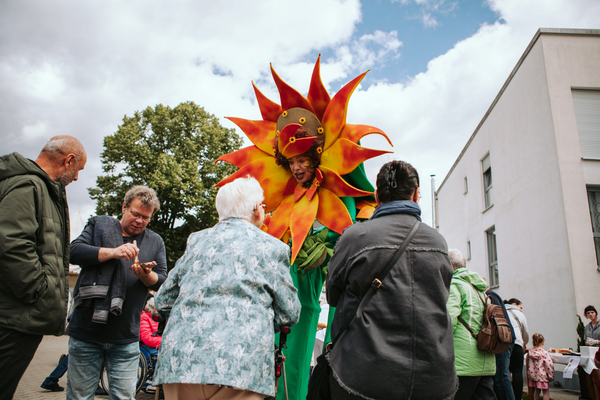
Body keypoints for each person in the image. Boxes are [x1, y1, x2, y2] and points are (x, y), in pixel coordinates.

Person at [153, 176, 301, 400]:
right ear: (256, 211)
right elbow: (289, 312)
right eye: (263, 206)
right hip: (243, 366)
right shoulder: (273, 248)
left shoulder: (196, 240)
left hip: (181, 363)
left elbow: (163, 299)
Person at [325, 160, 458, 399]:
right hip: (433, 376)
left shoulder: (355, 237)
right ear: (416, 194)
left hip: (363, 372)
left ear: (377, 195)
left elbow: (333, 296)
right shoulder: (438, 243)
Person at [0, 135, 87, 399]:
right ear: (68, 160)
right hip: (15, 319)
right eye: (79, 170)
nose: (76, 179)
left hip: (19, 315)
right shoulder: (29, 185)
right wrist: (38, 291)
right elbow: (11, 243)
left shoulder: (36, 187)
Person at [66, 185, 167, 400]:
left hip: (126, 337)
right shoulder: (98, 226)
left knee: (123, 397)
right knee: (79, 397)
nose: (140, 221)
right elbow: (73, 252)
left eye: (146, 218)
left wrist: (144, 275)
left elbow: (161, 282)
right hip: (86, 333)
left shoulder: (155, 241)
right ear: (124, 207)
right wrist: (113, 252)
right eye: (136, 214)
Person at [447, 248, 497, 400]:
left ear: (450, 265)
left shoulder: (455, 285)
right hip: (486, 361)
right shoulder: (480, 289)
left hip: (463, 364)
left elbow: (449, 320)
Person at [486, 288, 516, 400]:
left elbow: (498, 319)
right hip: (503, 339)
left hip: (502, 340)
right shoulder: (492, 295)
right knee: (499, 377)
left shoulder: (490, 295)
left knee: (502, 377)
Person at [505, 298, 529, 400]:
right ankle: (518, 397)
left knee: (505, 372)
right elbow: (525, 333)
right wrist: (524, 342)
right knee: (517, 372)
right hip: (517, 344)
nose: (521, 310)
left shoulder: (501, 311)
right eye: (521, 307)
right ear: (515, 304)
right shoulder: (519, 314)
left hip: (504, 344)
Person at [526, 333, 554, 400]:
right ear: (543, 343)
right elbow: (549, 365)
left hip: (534, 376)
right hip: (542, 376)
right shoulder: (545, 353)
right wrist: (550, 375)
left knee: (537, 391)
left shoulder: (529, 353)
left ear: (533, 342)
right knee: (545, 392)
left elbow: (527, 362)